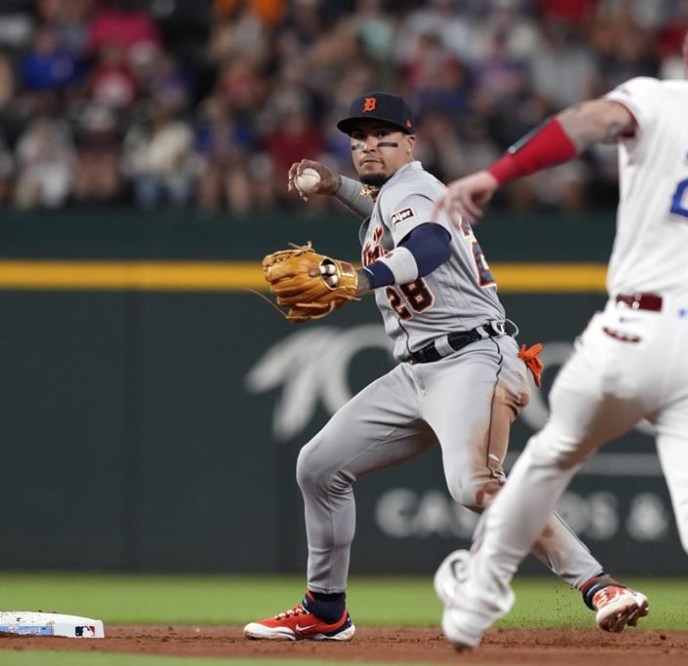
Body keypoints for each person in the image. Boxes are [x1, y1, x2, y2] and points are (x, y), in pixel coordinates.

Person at [431, 2, 688, 651]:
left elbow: (588, 122)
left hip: (637, 329)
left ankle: (476, 597)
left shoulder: (658, 97)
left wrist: (496, 172)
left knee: (552, 455)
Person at [243, 91, 648, 642]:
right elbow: (390, 218)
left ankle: (600, 585)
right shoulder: (395, 198)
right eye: (358, 138)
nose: (367, 146)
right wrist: (338, 187)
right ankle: (326, 609)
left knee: (473, 485)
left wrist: (363, 279)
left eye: (381, 136)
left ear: (410, 142)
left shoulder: (414, 186)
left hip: (472, 358)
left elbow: (429, 245)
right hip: (417, 372)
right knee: (319, 465)